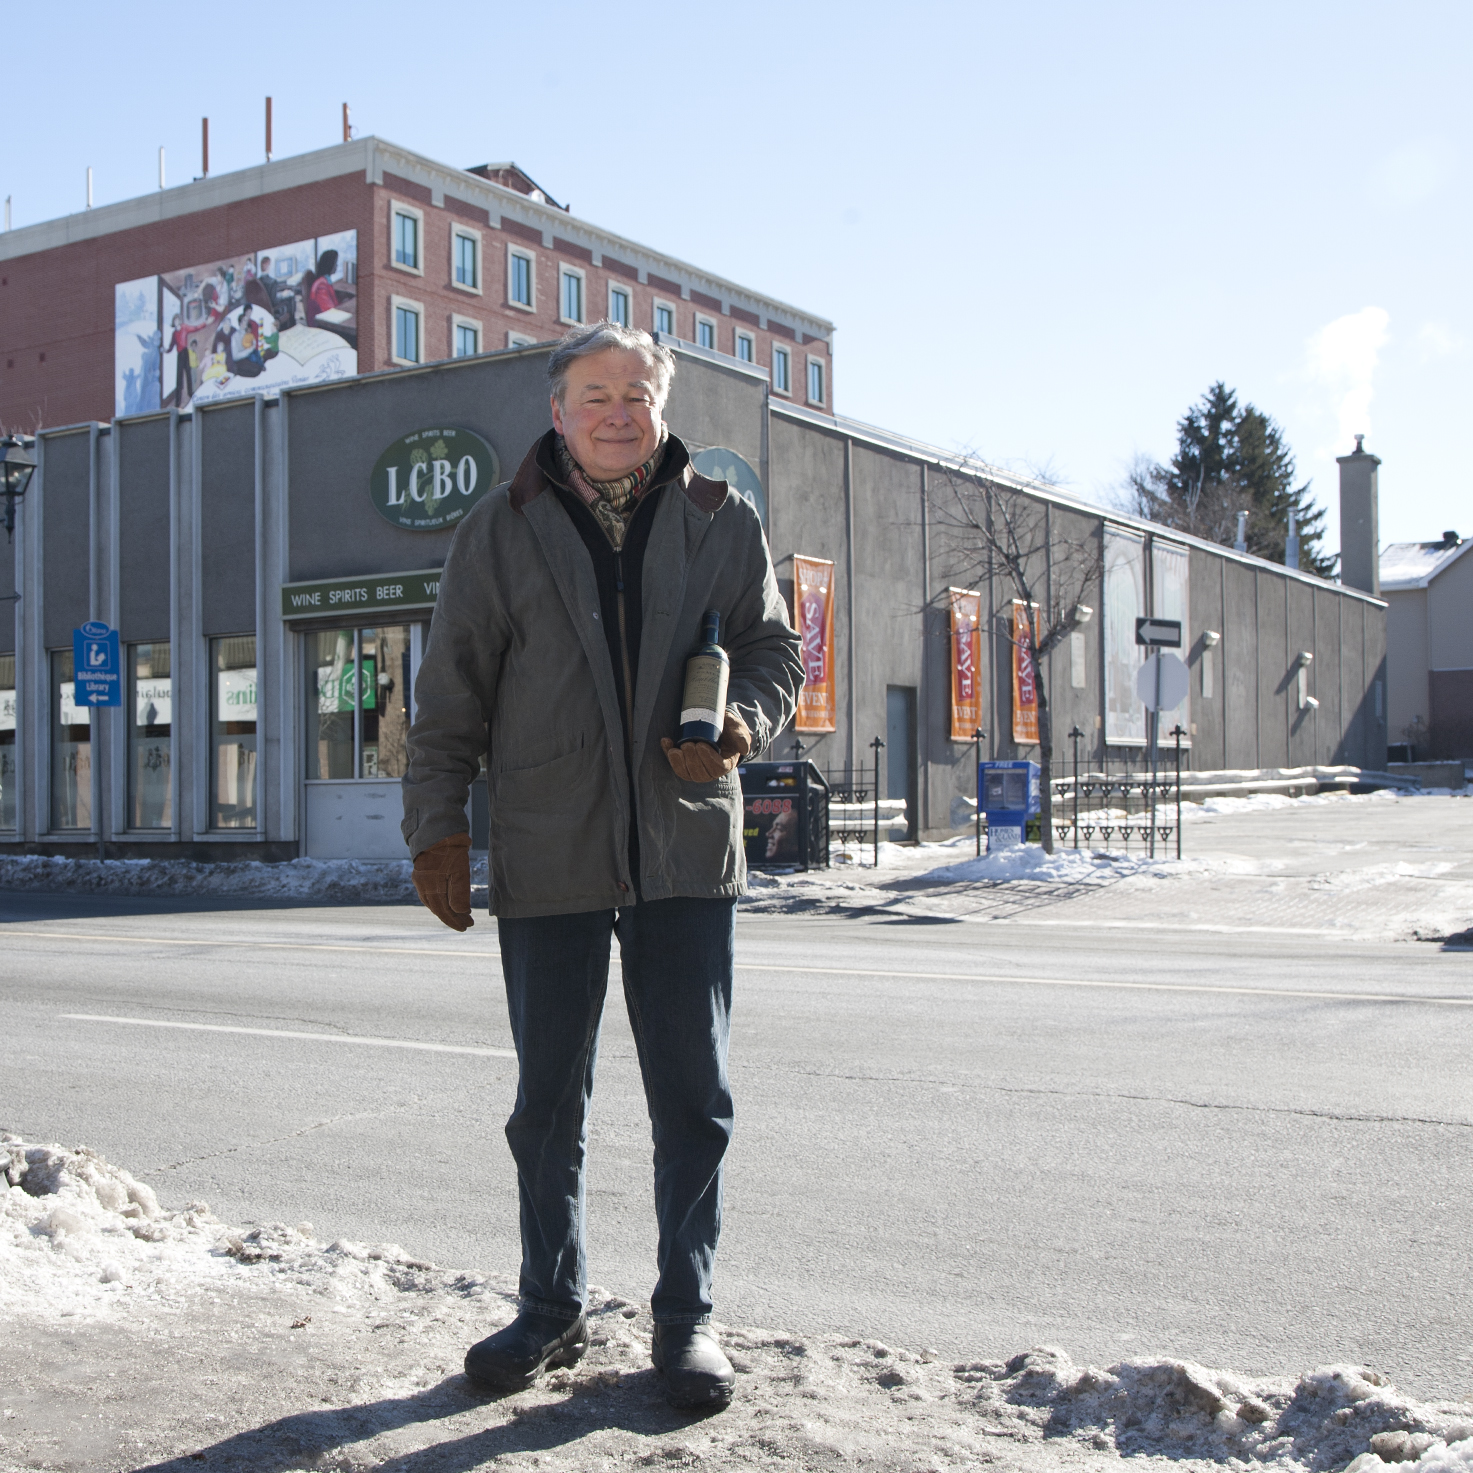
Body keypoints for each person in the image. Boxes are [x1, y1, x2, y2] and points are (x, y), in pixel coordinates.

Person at [402, 322, 802, 1411]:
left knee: (693, 1099)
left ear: (662, 402)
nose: (617, 411)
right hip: (550, 847)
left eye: (636, 391)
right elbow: (452, 693)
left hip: (684, 848)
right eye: (594, 393)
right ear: (558, 410)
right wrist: (437, 821)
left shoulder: (722, 518)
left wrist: (739, 729)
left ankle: (687, 1318)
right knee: (546, 1105)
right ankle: (550, 1306)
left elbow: (773, 654)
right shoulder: (500, 528)